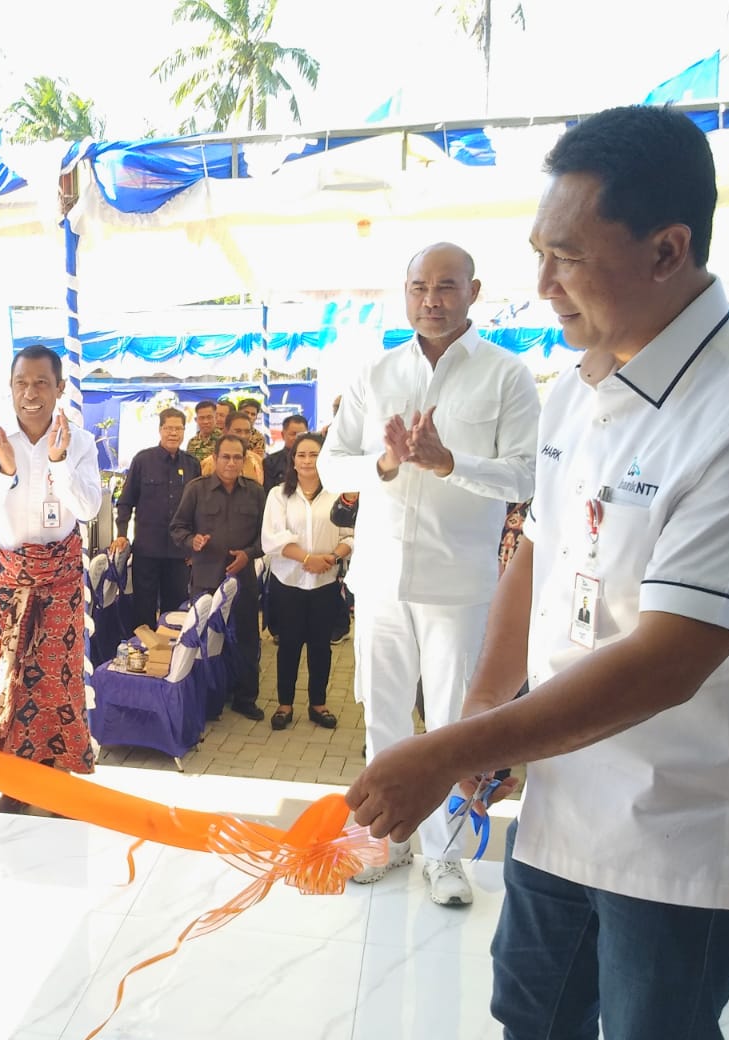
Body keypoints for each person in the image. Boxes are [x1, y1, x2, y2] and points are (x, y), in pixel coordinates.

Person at [345, 105, 729, 1040]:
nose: (541, 285)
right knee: (535, 1019)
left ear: (668, 250)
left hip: (686, 816)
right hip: (569, 788)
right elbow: (538, 549)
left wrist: (448, 748)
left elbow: (670, 659)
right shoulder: (581, 383)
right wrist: (477, 715)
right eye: (538, 253)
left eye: (567, 258)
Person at [321, 240, 538, 907]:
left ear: (475, 290)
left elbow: (529, 474)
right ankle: (383, 840)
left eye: (446, 286)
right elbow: (334, 465)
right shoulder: (375, 372)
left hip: (460, 583)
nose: (432, 300)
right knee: (382, 713)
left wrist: (450, 463)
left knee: (449, 724)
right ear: (405, 291)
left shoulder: (507, 375)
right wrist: (383, 468)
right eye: (419, 287)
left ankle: (445, 856)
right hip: (381, 575)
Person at [0, 344, 102, 808]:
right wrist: (7, 472)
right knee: (5, 675)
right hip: (7, 575)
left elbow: (89, 509)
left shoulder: (82, 442)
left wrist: (58, 463)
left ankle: (51, 777)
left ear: (59, 388)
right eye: (21, 383)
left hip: (61, 577)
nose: (30, 394)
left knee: (55, 677)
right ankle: (10, 777)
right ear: (10, 387)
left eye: (40, 383)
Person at [261, 432, 353, 731]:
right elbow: (272, 539)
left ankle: (318, 704)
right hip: (288, 581)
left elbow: (351, 534)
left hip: (325, 582)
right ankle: (285, 704)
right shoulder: (279, 495)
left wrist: (333, 557)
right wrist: (306, 559)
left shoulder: (338, 494)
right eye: (301, 455)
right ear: (293, 460)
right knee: (288, 645)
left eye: (314, 454)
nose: (307, 460)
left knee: (320, 647)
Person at [172, 432, 266, 721]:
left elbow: (267, 537)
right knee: (204, 640)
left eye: (237, 457)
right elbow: (177, 528)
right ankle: (208, 697)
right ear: (214, 459)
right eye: (225, 456)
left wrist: (248, 554)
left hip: (243, 579)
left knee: (247, 640)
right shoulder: (196, 490)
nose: (231, 463)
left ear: (245, 460)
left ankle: (245, 698)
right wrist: (192, 542)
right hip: (206, 578)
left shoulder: (255, 492)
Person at [111, 406, 192, 630]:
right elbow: (126, 501)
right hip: (147, 550)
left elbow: (198, 510)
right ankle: (142, 654)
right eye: (169, 428)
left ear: (184, 431)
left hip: (179, 553)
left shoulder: (191, 465)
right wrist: (121, 534)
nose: (173, 433)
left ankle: (170, 658)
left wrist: (193, 548)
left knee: (175, 610)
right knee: (143, 607)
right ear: (160, 430)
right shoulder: (143, 460)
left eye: (178, 428)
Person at [200, 410, 264, 484]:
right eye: (238, 431)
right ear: (226, 432)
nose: (243, 436)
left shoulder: (258, 461)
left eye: (247, 432)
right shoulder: (210, 464)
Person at [264, 413, 310, 497]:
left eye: (301, 435)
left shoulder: (315, 461)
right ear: (283, 435)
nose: (297, 438)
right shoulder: (270, 462)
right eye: (293, 434)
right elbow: (268, 493)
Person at [185, 398, 220, 463]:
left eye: (209, 417)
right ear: (196, 420)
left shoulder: (223, 440)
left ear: (216, 417)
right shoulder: (192, 442)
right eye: (201, 418)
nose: (205, 422)